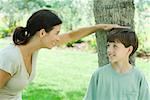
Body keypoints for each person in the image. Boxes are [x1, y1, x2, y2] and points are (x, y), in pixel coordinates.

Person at [0, 9, 127, 100]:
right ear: (43, 33)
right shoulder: (10, 58)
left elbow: (71, 36)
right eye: (56, 33)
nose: (58, 38)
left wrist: (100, 27)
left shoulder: (32, 49)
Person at [84, 28, 150, 100]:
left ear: (129, 50)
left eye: (115, 46)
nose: (109, 50)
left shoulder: (138, 77)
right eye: (108, 45)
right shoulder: (99, 75)